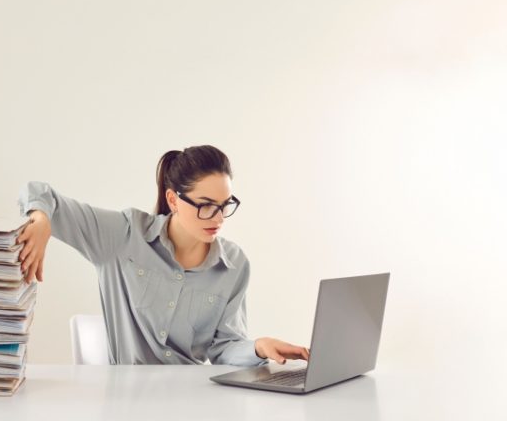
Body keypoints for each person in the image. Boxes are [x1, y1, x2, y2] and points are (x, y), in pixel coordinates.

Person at [16, 145, 310, 366]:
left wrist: (258, 347)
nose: (218, 218)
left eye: (225, 205)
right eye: (206, 205)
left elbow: (223, 349)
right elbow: (38, 192)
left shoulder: (234, 265)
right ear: (173, 199)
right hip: (126, 407)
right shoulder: (123, 236)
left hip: (193, 404)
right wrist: (41, 221)